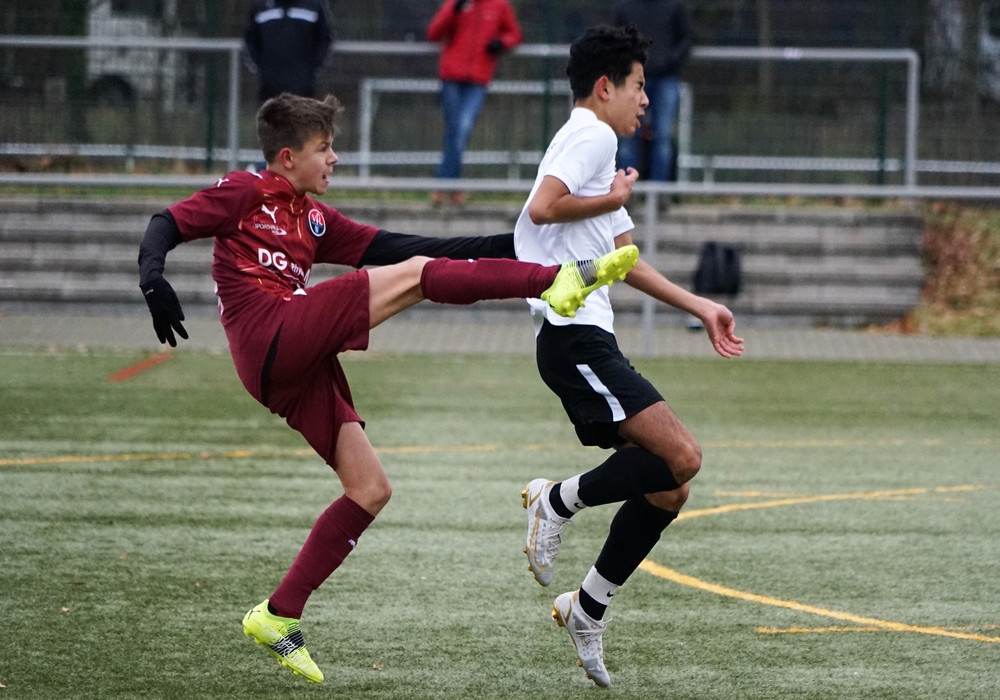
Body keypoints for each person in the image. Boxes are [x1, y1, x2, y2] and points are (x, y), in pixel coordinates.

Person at [137, 91, 638, 685]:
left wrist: (511, 244)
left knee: (370, 488)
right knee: (418, 279)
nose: (334, 158)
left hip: (292, 363)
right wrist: (152, 276)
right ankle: (554, 281)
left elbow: (407, 248)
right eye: (325, 148)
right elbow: (167, 222)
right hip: (270, 332)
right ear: (288, 156)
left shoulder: (313, 218)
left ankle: (278, 614)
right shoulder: (247, 191)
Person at [513, 25, 743, 687]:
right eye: (638, 86)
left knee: (670, 484)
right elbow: (543, 207)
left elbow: (624, 260)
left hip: (587, 340)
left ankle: (586, 607)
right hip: (573, 339)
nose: (645, 99)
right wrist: (612, 196)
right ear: (605, 87)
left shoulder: (589, 144)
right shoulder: (594, 136)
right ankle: (557, 500)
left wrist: (698, 304)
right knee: (684, 455)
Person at [427, 0, 522, 205]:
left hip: (478, 78)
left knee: (462, 128)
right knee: (455, 131)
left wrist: (502, 42)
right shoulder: (456, 3)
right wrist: (454, 11)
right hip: (451, 76)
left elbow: (514, 34)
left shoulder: (499, 5)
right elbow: (434, 33)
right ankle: (452, 187)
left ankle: (442, 185)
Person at [613, 0, 693, 182]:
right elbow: (614, 40)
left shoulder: (674, 6)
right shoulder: (626, 6)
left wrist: (669, 62)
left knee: (662, 137)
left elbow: (686, 39)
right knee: (627, 136)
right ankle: (626, 188)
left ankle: (659, 191)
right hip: (631, 81)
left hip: (665, 78)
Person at [243, 0, 334, 103]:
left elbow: (325, 39)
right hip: (269, 88)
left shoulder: (313, 6)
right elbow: (250, 40)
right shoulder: (260, 6)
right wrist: (263, 70)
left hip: (303, 88)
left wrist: (311, 70)